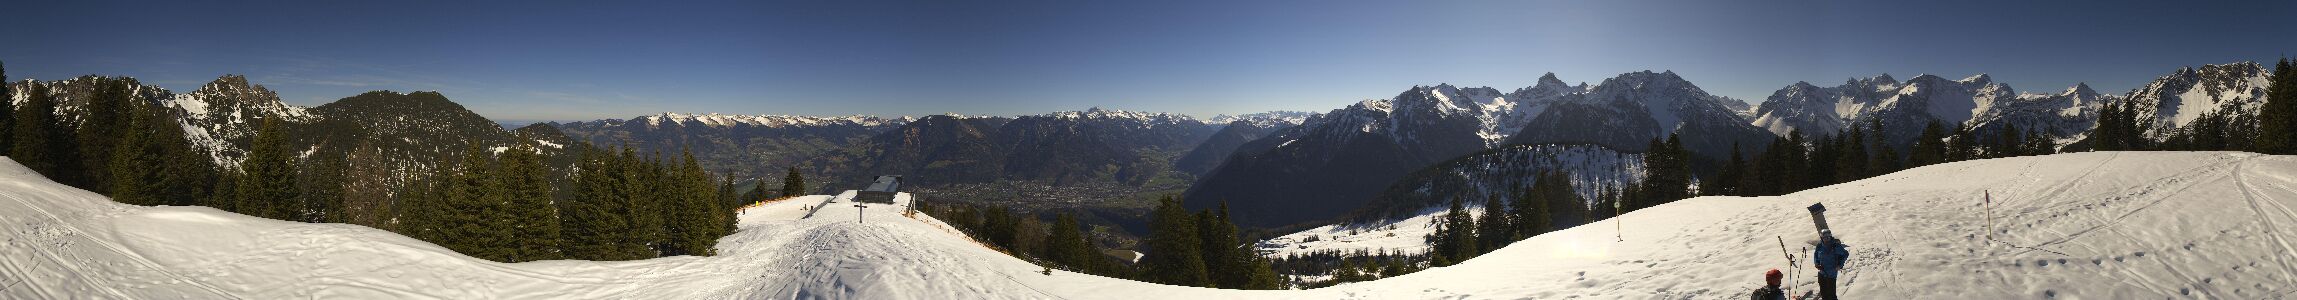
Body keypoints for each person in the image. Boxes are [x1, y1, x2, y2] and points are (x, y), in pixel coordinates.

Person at [1812, 229, 1849, 300]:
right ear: (1821, 238)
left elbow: (1845, 254)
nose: (1826, 239)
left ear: (1830, 236)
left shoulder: (1835, 246)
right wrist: (1816, 263)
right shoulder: (1820, 245)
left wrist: (1840, 265)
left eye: (1828, 237)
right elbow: (1816, 255)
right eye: (1824, 238)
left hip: (1831, 273)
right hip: (1822, 272)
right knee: (1823, 293)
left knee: (1831, 294)